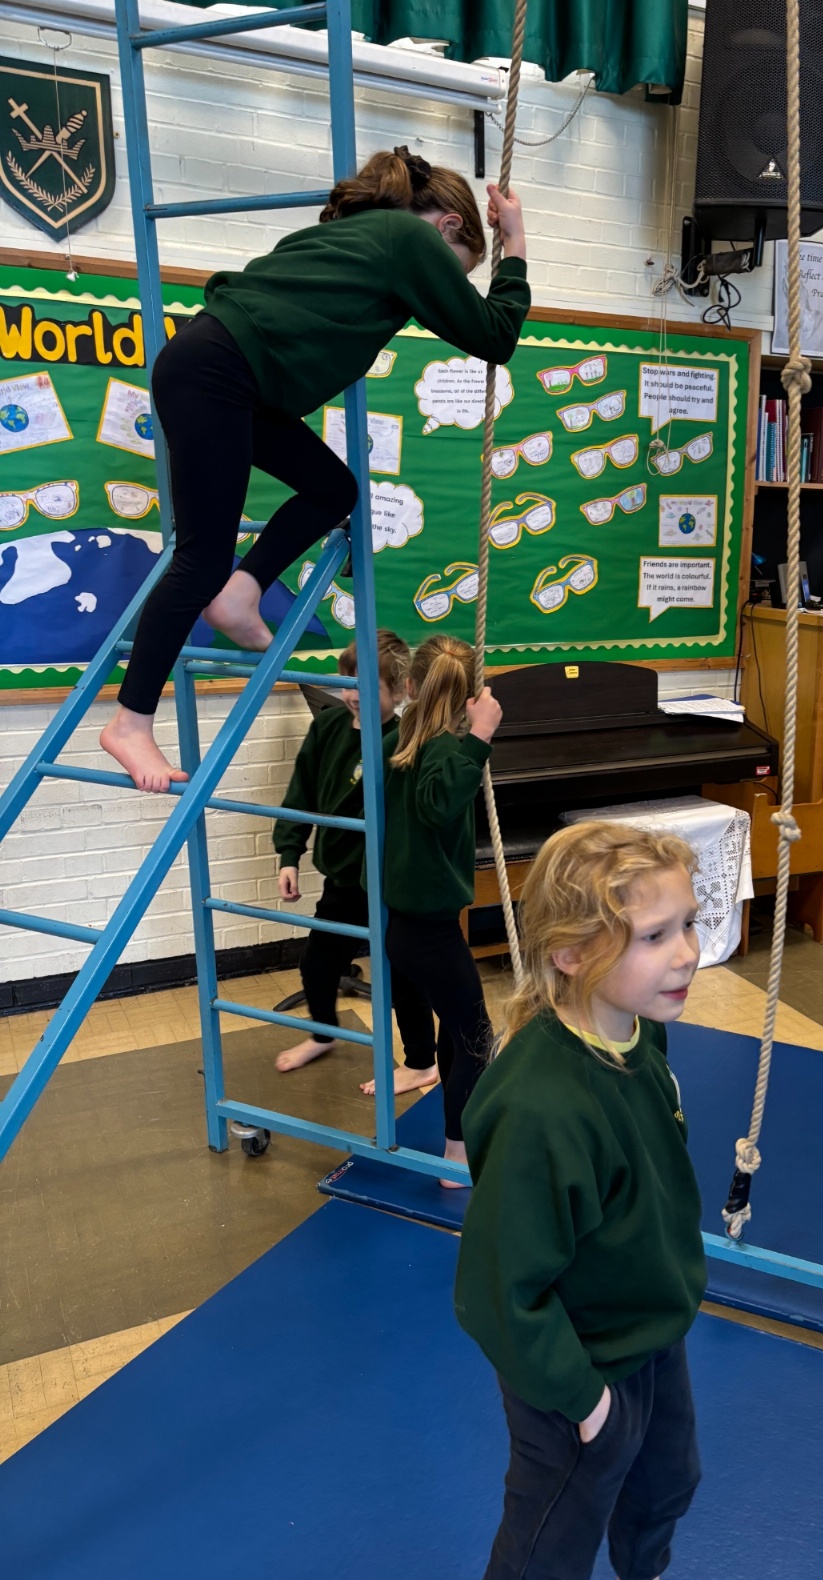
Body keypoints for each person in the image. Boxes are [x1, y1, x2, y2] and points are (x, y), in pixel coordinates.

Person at [100, 146, 530, 794]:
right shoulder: (409, 239)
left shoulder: (358, 236)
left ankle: (241, 592)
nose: (445, 287)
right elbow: (496, 336)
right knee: (199, 557)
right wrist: (515, 242)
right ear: (447, 227)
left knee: (334, 488)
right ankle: (130, 721)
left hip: (229, 374)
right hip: (221, 373)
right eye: (459, 268)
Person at [455, 821, 705, 1580]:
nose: (687, 953)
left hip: (648, 1325)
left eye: (689, 924)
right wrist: (586, 1402)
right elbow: (497, 1292)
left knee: (667, 1475)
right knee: (551, 1541)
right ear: (569, 953)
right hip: (578, 1361)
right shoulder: (541, 1110)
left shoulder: (639, 1033)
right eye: (654, 935)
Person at [272, 629, 438, 1088]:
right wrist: (290, 853)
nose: (354, 694)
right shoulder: (327, 726)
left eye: (368, 686)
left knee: (402, 975)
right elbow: (301, 791)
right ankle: (323, 1034)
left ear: (400, 691)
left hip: (388, 881)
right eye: (348, 682)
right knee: (317, 965)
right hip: (343, 881)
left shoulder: (404, 739)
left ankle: (422, 1062)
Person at [378, 634, 502, 1174]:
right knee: (477, 1039)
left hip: (406, 924)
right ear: (470, 696)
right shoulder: (447, 749)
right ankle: (458, 1152)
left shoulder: (399, 740)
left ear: (408, 685)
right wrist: (480, 735)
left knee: (457, 1026)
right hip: (429, 930)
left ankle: (457, 1133)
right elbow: (437, 804)